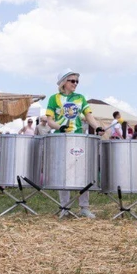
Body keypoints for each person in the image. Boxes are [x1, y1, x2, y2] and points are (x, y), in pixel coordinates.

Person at [44, 70, 104, 218]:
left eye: (77, 81)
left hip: (78, 138)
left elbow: (88, 115)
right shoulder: (54, 99)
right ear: (64, 82)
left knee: (82, 172)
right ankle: (65, 207)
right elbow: (50, 121)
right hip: (61, 138)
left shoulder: (80, 98)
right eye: (72, 81)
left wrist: (97, 127)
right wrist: (60, 127)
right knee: (63, 173)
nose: (75, 83)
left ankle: (84, 207)